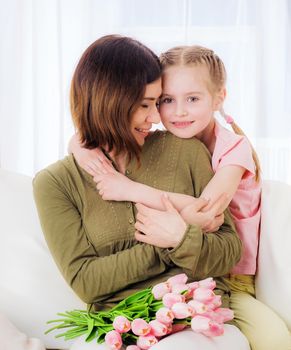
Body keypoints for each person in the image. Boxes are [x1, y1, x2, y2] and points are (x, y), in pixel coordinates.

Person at [33, 35, 250, 349]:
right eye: (145, 105)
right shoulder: (55, 183)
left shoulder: (185, 149)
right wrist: (167, 243)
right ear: (110, 102)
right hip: (118, 327)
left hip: (198, 314)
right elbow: (86, 281)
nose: (155, 117)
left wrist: (179, 236)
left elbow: (229, 249)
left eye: (156, 102)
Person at [70, 45, 291, 350]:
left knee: (276, 338)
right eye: (166, 101)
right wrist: (78, 145)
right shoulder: (168, 139)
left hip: (230, 276)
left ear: (219, 98)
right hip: (183, 273)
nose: (179, 111)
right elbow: (95, 134)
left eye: (193, 99)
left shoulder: (234, 149)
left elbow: (206, 210)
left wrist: (130, 189)